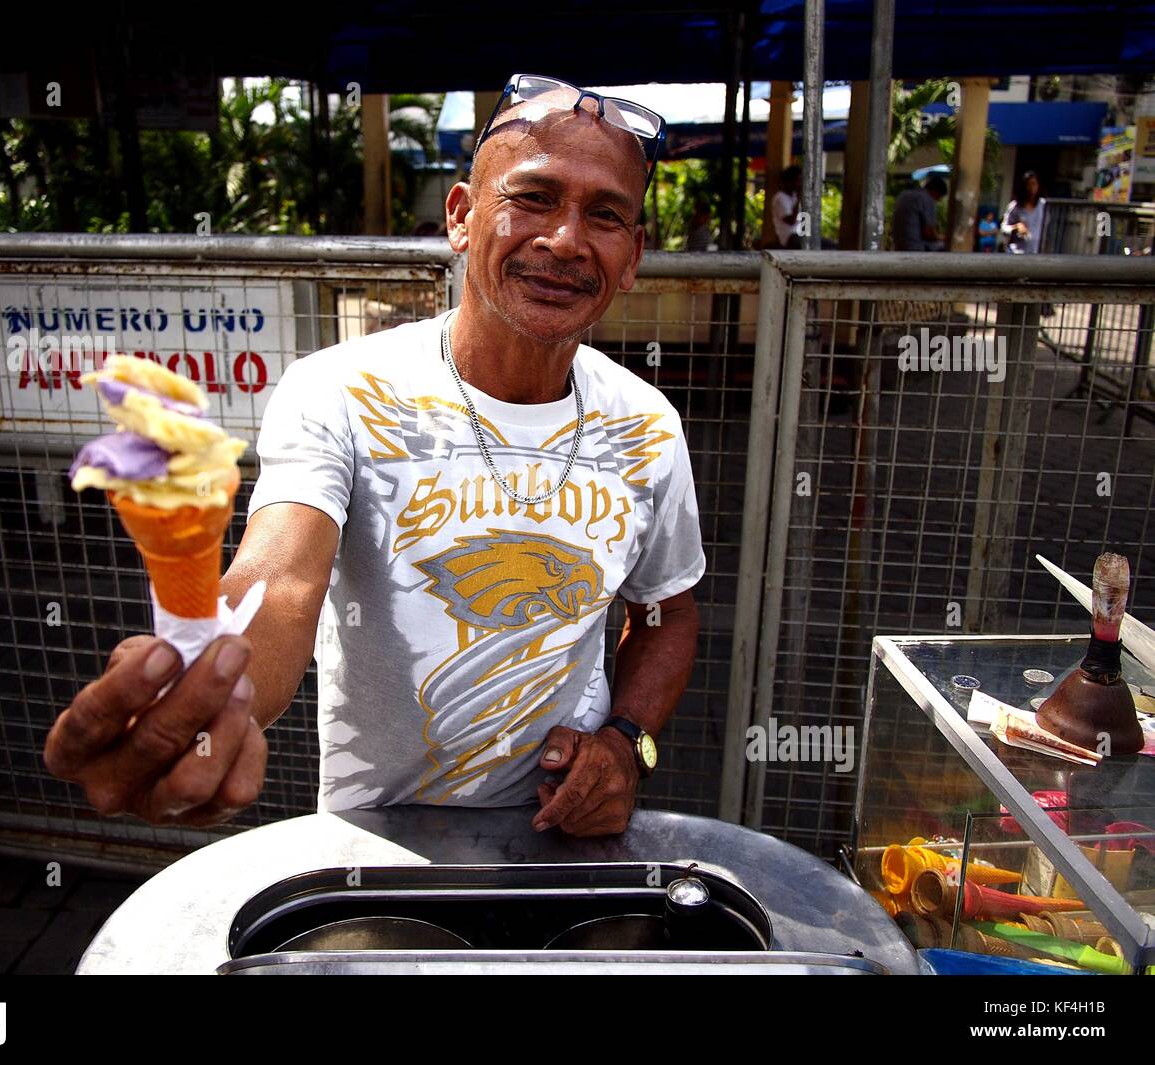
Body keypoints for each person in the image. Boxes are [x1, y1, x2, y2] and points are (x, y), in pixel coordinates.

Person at [44, 75, 705, 837]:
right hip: (379, 845)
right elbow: (283, 582)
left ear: (631, 258)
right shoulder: (340, 390)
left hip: (564, 839)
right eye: (533, 197)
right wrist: (206, 683)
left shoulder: (647, 425)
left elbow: (666, 609)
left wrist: (626, 744)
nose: (564, 240)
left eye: (606, 215)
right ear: (461, 217)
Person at [892, 175, 947, 251]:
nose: (938, 201)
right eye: (939, 197)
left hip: (899, 245)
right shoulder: (927, 199)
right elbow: (928, 234)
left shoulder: (904, 195)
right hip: (915, 247)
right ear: (935, 192)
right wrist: (943, 238)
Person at [1001, 170, 1046, 254]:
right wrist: (1016, 227)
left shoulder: (1043, 205)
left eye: (1034, 184)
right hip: (1018, 253)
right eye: (1028, 185)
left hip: (1036, 254)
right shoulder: (1015, 206)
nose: (1032, 188)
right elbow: (1004, 228)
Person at [770, 165, 801, 249]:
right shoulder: (779, 198)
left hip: (801, 234)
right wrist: (799, 198)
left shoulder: (794, 196)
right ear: (789, 181)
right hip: (789, 238)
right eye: (798, 181)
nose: (799, 184)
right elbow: (791, 221)